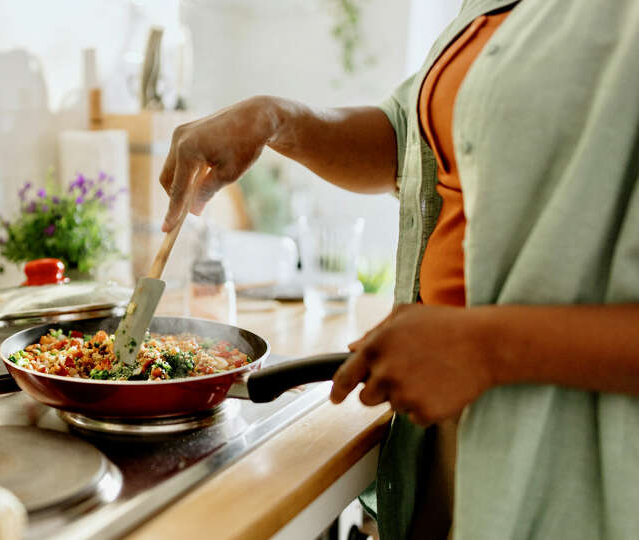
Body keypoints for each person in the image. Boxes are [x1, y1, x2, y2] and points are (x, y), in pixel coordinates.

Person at [158, 1, 639, 539]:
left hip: (577, 458)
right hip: (447, 426)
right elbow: (411, 138)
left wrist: (486, 347)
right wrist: (275, 118)